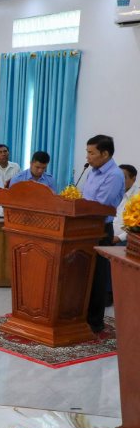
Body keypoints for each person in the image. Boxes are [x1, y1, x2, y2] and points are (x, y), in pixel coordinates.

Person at [82, 135, 126, 334]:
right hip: (83, 228)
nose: (88, 157)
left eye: (91, 153)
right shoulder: (92, 172)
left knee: (97, 277)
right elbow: (86, 199)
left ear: (105, 154)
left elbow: (100, 206)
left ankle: (94, 322)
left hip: (100, 230)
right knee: (84, 275)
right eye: (87, 152)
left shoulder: (114, 175)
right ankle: (80, 315)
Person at [113, 164, 138, 245]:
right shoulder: (113, 192)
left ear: (133, 179)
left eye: (123, 178)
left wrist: (119, 238)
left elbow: (137, 226)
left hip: (125, 240)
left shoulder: (137, 197)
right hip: (108, 236)